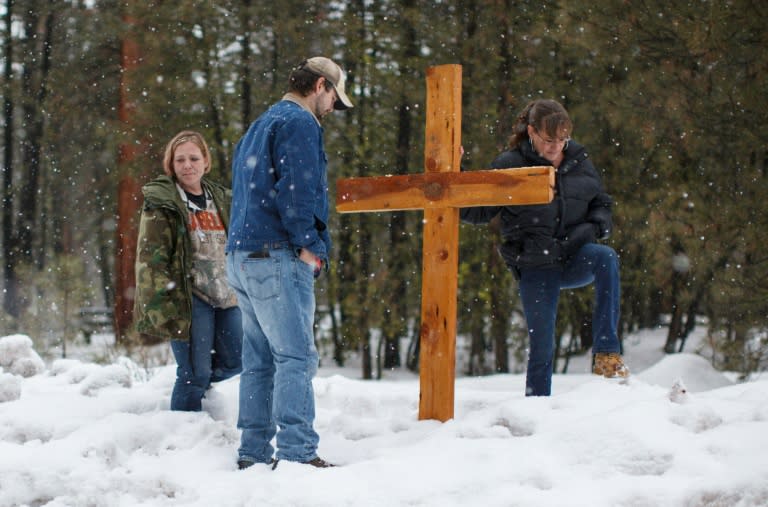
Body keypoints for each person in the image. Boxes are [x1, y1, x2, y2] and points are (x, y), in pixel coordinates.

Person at [226, 56, 353, 469]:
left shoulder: (260, 124)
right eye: (334, 96)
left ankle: (253, 452)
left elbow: (248, 188)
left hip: (242, 256)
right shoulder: (299, 123)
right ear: (320, 85)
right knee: (295, 356)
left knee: (260, 359)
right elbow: (297, 191)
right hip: (276, 255)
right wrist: (309, 245)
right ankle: (297, 453)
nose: (334, 106)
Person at [461, 99, 629, 396]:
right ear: (531, 132)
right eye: (549, 140)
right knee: (542, 345)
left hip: (574, 255)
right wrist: (456, 173)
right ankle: (536, 405)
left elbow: (600, 201)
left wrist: (600, 223)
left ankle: (606, 356)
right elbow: (477, 211)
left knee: (606, 258)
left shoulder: (579, 161)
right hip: (535, 264)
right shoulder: (510, 165)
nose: (556, 148)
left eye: (562, 140)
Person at [134, 130, 243, 411]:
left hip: (227, 293)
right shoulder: (163, 202)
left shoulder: (222, 197)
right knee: (193, 372)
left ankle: (196, 383)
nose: (187, 165)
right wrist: (160, 302)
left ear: (206, 161)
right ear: (170, 164)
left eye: (194, 158)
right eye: (180, 159)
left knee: (237, 361)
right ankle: (184, 432)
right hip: (190, 296)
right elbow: (150, 257)